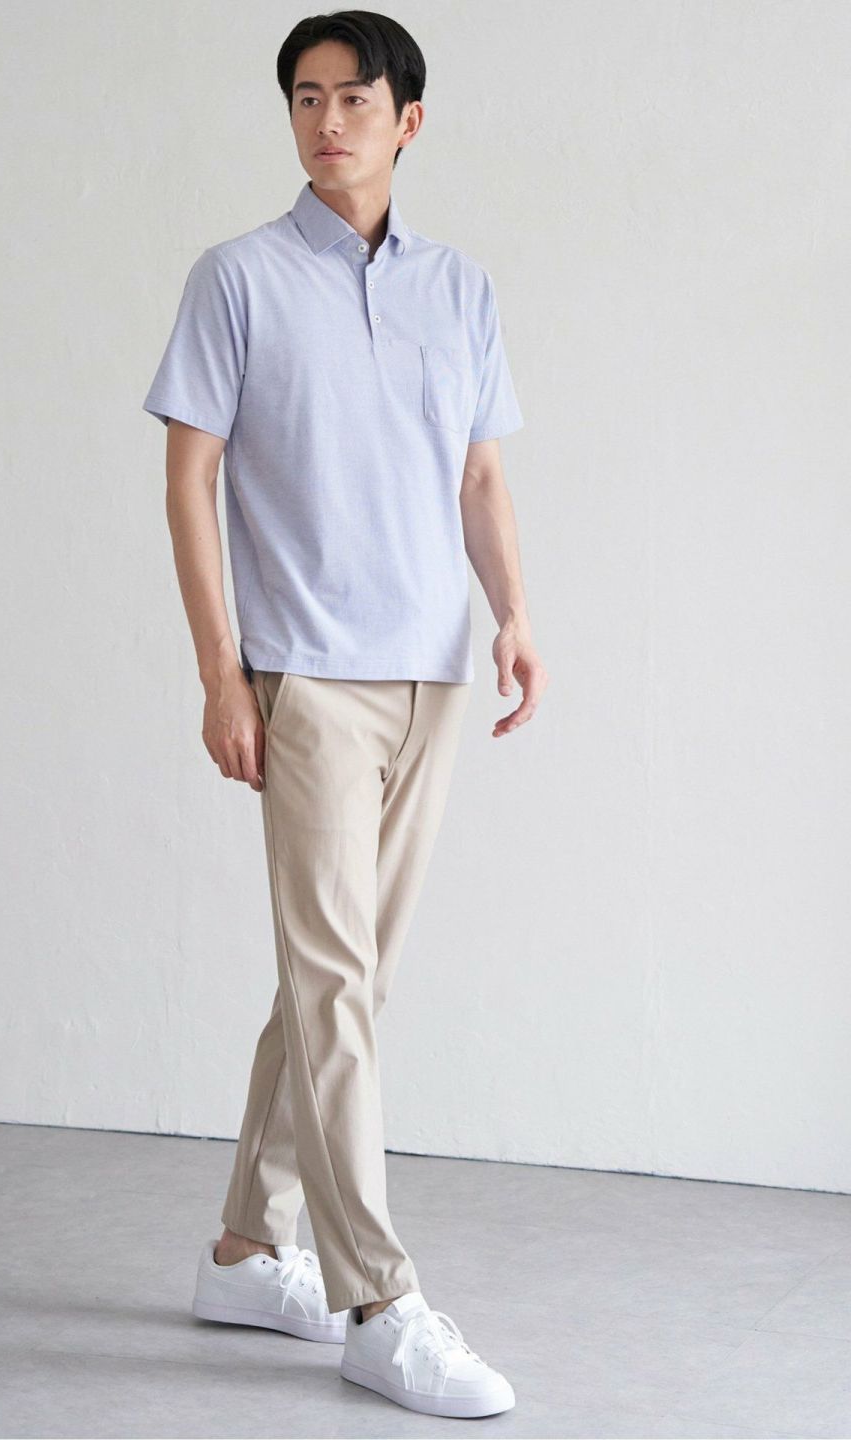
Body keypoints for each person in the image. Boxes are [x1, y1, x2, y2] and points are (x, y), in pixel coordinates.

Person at [142, 8, 547, 1420]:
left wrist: (513, 611)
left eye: (353, 98)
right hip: (307, 673)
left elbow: (479, 477)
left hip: (434, 669)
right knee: (333, 986)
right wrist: (222, 672)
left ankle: (248, 1250)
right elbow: (190, 479)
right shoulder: (238, 279)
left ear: (407, 120)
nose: (327, 121)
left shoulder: (460, 289)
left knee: (347, 985)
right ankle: (379, 1300)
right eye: (305, 98)